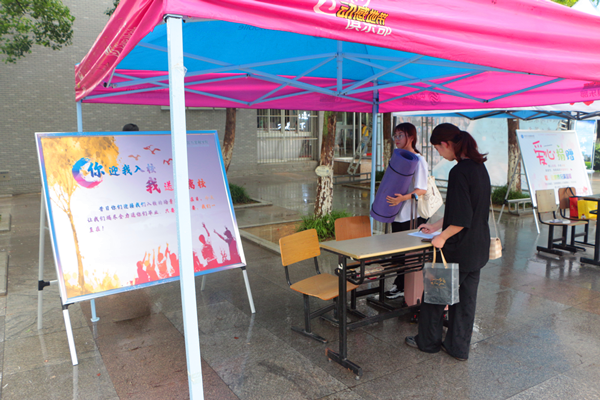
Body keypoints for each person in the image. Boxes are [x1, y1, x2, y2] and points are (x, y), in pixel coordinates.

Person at [405, 123, 491, 361]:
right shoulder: (479, 167)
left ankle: (427, 342)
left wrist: (441, 237)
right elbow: (464, 210)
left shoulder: (459, 171)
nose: (439, 154)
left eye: (438, 149)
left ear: (446, 144)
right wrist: (435, 226)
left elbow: (462, 219)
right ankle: (457, 348)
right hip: (477, 249)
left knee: (435, 297)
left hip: (459, 249)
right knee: (466, 303)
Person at [384, 123, 429, 299]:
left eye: (400, 135)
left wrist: (402, 198)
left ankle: (405, 287)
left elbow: (421, 189)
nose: (396, 139)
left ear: (411, 137)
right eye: (395, 135)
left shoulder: (419, 160)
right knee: (397, 252)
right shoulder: (397, 157)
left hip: (411, 214)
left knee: (408, 253)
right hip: (396, 212)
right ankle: (400, 285)